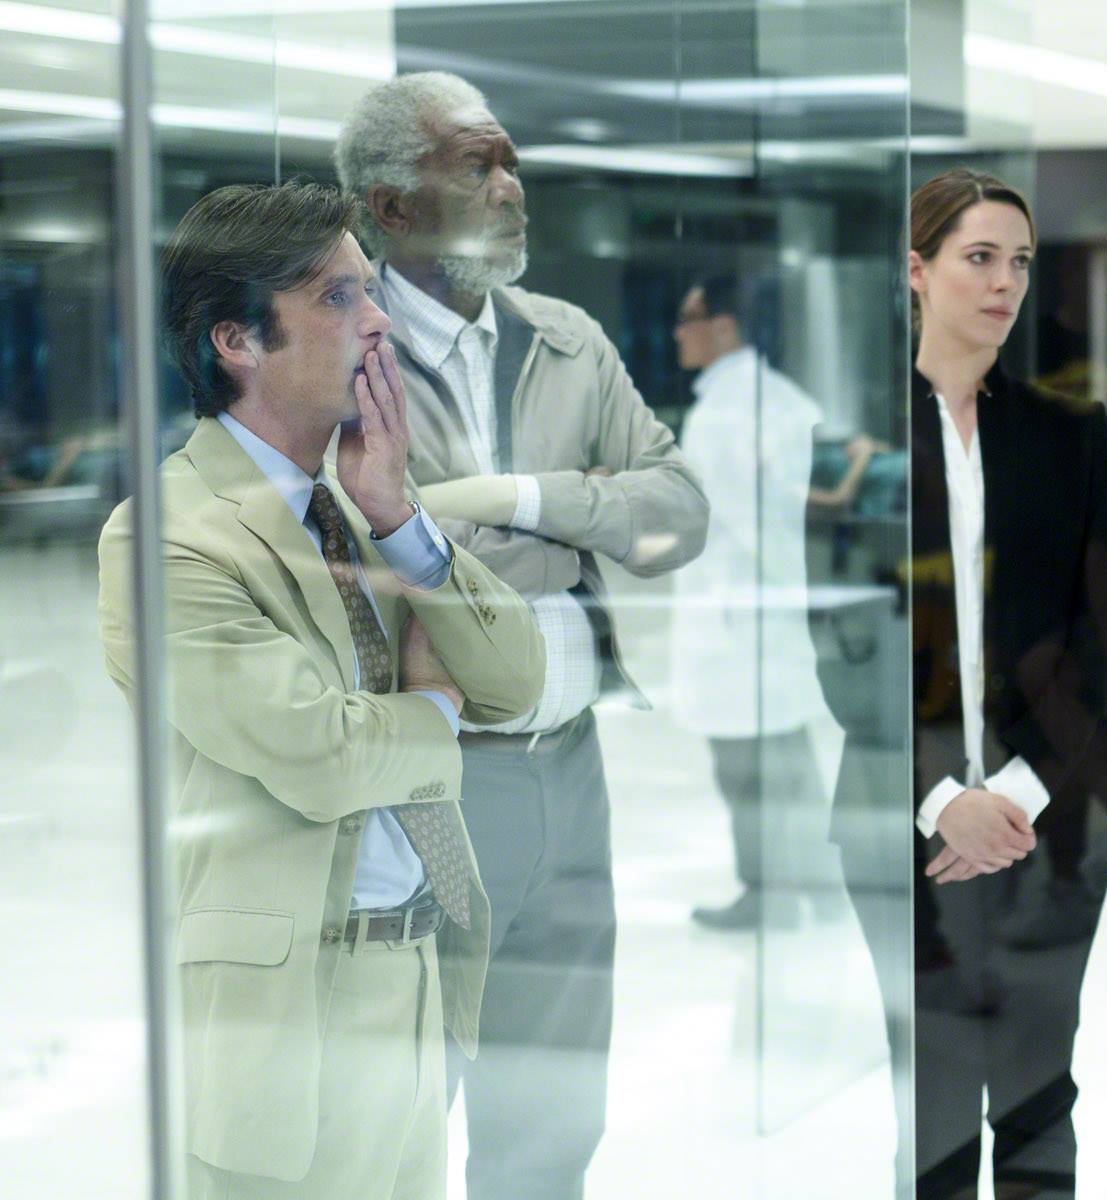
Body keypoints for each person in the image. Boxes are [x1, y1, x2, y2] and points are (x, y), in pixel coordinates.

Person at [96, 181, 546, 1200]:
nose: (379, 320)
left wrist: (400, 521)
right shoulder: (165, 535)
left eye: (370, 291)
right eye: (339, 298)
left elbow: (516, 680)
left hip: (418, 978)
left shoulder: (359, 506)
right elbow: (318, 753)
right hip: (292, 1010)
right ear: (236, 342)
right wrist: (436, 709)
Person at [334, 72, 709, 1200]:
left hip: (572, 770)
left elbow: (680, 514)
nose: (511, 187)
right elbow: (350, 563)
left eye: (511, 163)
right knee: (404, 1107)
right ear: (391, 206)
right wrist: (580, 518)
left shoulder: (568, 341)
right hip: (432, 781)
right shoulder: (339, 353)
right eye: (477, 165)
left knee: (554, 1109)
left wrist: (518, 499)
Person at [825, 168, 1107, 1199]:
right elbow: (840, 646)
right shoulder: (854, 451)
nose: (1005, 282)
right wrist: (940, 801)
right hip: (902, 820)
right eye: (979, 258)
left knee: (1038, 1090)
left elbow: (1102, 634)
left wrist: (1015, 791)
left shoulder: (1071, 431)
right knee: (933, 1094)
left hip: (1054, 816)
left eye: (1020, 262)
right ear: (916, 271)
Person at [668, 273, 835, 930]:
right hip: (766, 616)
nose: (678, 333)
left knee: (745, 768)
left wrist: (782, 594)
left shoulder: (725, 413)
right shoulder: (779, 395)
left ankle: (768, 896)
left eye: (689, 319)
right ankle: (823, 888)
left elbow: (749, 519)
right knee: (790, 754)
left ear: (724, 326)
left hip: (739, 619)